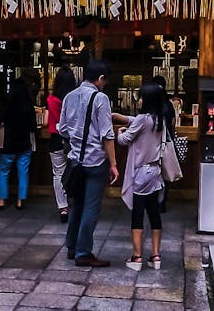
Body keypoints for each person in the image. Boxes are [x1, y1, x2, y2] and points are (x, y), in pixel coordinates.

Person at [59, 60, 119, 268]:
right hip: (95, 162)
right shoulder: (100, 98)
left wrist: (77, 142)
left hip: (75, 161)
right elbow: (107, 135)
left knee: (77, 205)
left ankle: (72, 246)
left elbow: (63, 129)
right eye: (105, 81)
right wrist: (113, 163)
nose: (105, 85)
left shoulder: (69, 96)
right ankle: (84, 252)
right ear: (101, 78)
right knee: (91, 208)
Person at [113, 82, 165, 271]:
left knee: (138, 213)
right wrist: (122, 118)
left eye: (141, 96)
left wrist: (119, 131)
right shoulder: (159, 119)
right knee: (154, 213)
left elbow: (124, 140)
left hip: (140, 173)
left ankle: (137, 257)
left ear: (147, 100)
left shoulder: (143, 119)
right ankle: (156, 255)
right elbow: (137, 121)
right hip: (155, 172)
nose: (139, 99)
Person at [0, 77, 37, 210]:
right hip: (24, 145)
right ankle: (20, 200)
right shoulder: (29, 106)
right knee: (23, 172)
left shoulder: (8, 105)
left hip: (9, 145)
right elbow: (33, 127)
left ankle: (1, 200)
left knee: (4, 171)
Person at [45, 66, 77, 223]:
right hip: (73, 140)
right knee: (77, 170)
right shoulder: (75, 99)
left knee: (58, 173)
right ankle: (76, 200)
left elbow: (46, 121)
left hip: (55, 140)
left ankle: (63, 207)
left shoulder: (51, 100)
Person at [152, 75, 176, 212]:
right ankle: (161, 203)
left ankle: (152, 201)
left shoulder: (150, 103)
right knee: (164, 174)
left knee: (153, 173)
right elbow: (173, 123)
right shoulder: (168, 103)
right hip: (167, 144)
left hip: (152, 144)